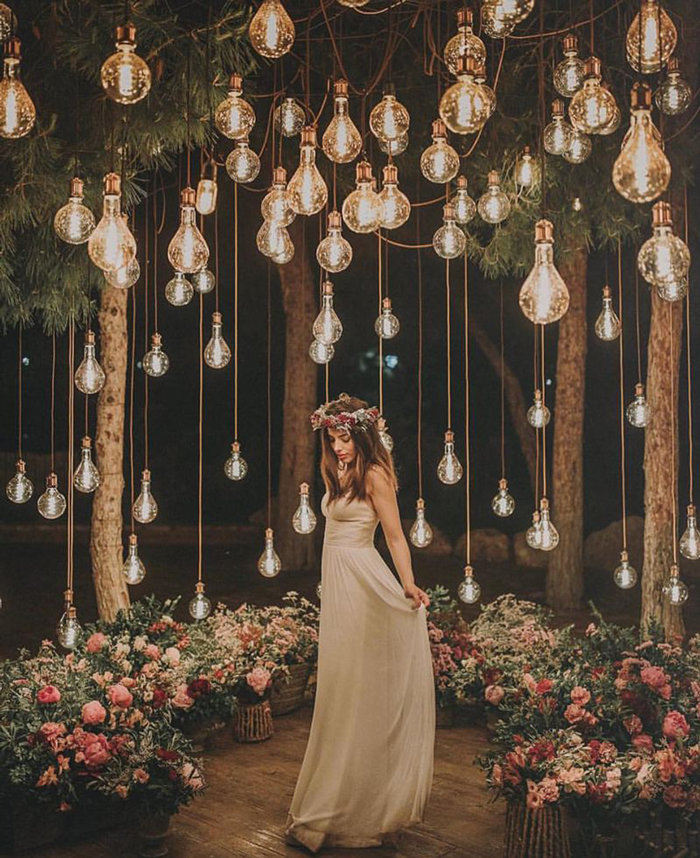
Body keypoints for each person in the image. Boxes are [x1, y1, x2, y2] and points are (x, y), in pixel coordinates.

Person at [285, 393, 435, 853]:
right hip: (340, 585)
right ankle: (337, 798)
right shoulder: (338, 472)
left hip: (365, 581)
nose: (338, 446)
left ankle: (360, 802)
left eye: (345, 437)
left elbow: (394, 536)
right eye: (332, 438)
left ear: (363, 435)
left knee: (355, 686)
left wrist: (408, 583)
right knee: (339, 687)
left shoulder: (374, 474)